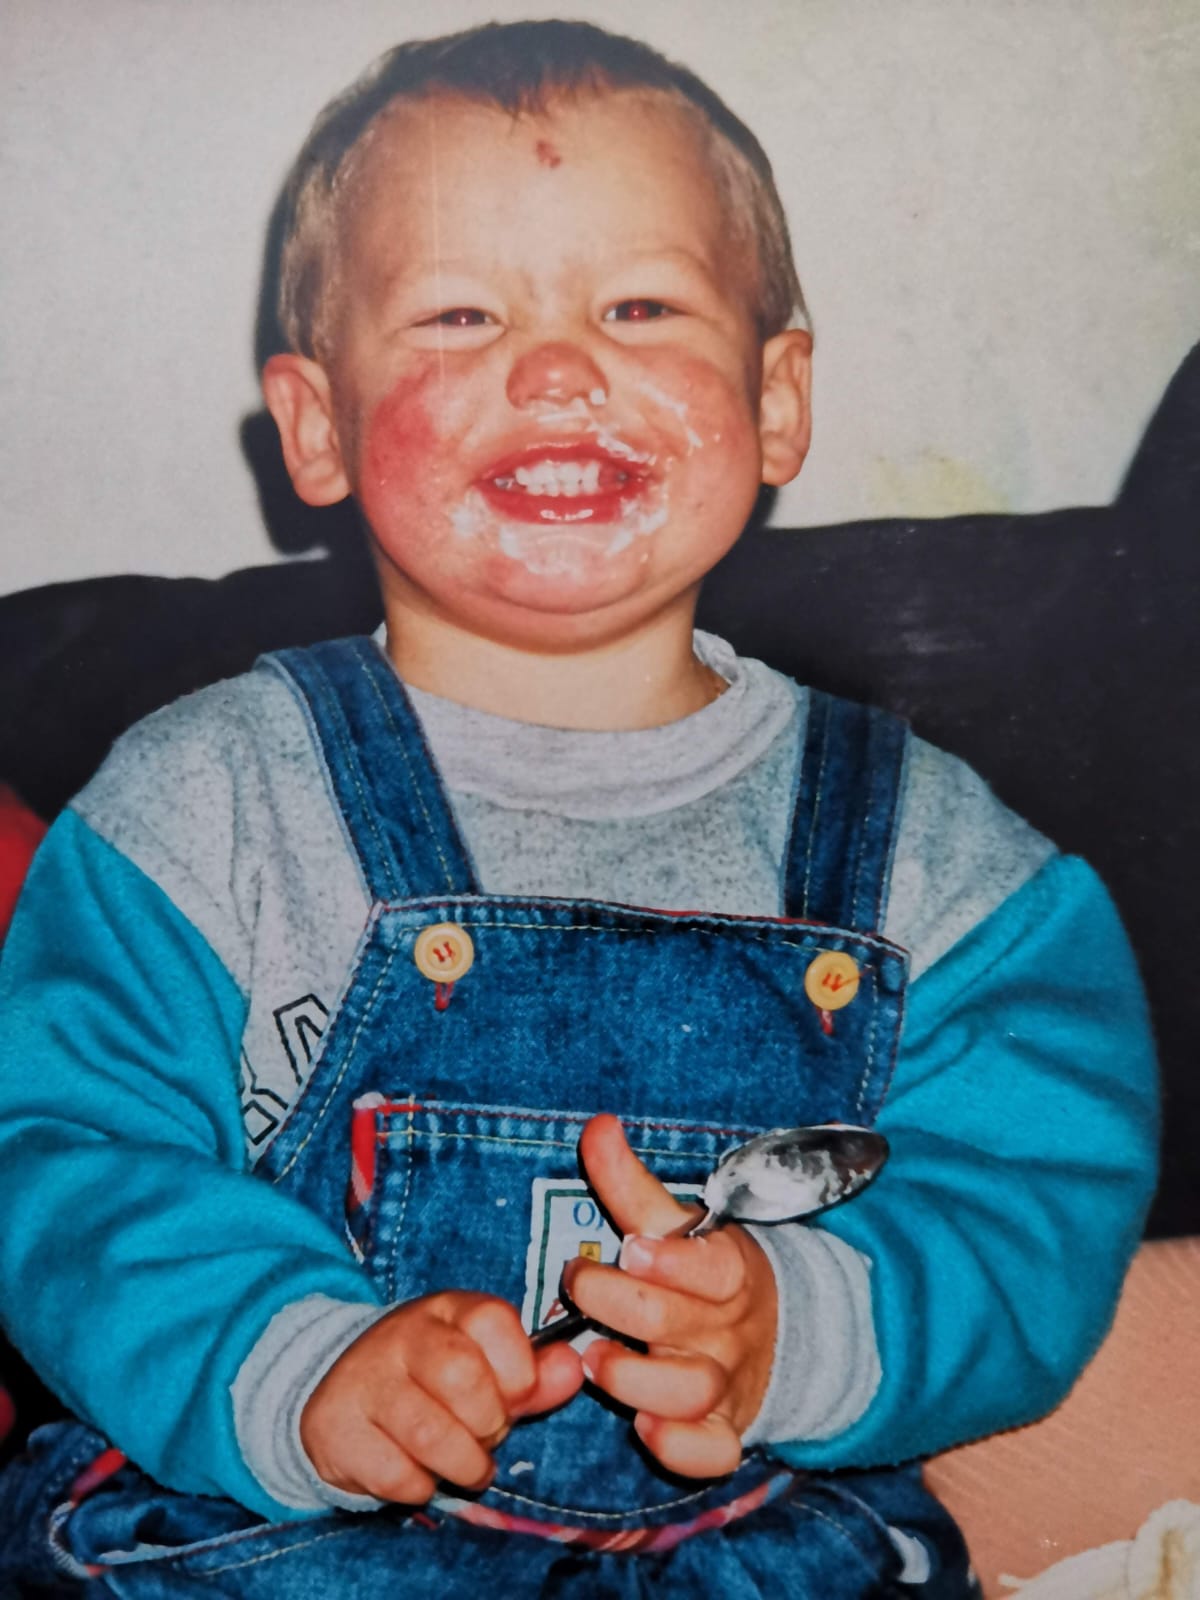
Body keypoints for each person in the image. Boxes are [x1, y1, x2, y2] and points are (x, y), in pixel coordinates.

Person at [0, 20, 1157, 1597]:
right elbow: (63, 1158)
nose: (555, 367)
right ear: (318, 425)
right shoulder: (200, 806)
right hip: (265, 1541)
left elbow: (1038, 1199)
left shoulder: (939, 864)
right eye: (462, 314)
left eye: (638, 307)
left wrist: (800, 1323)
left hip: (750, 1553)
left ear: (777, 399)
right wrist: (292, 1365)